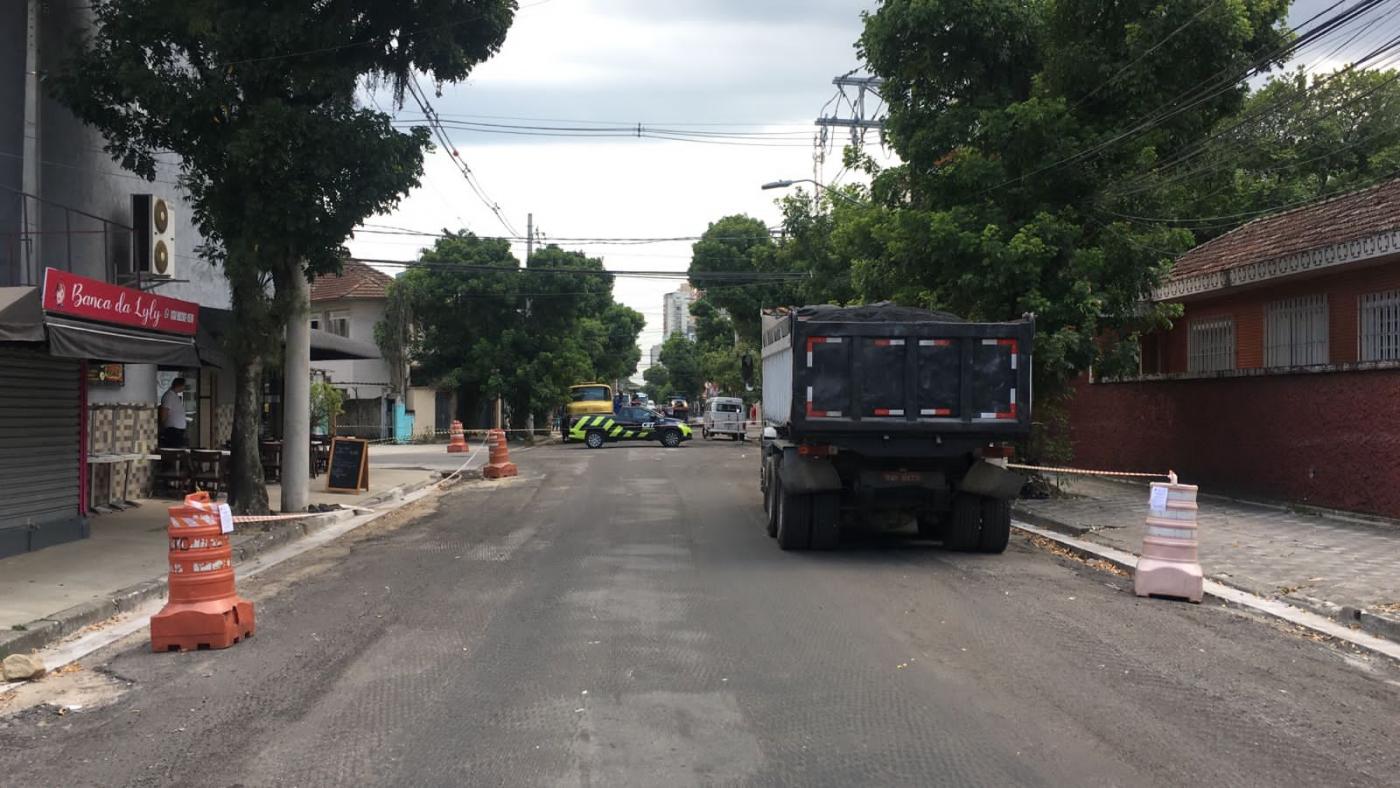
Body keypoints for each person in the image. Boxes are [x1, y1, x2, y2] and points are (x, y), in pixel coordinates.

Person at [159, 377, 188, 448]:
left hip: (178, 431)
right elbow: (164, 411)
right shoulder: (169, 396)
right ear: (179, 385)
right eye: (184, 385)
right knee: (174, 450)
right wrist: (162, 426)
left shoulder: (175, 396)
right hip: (173, 431)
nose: (184, 387)